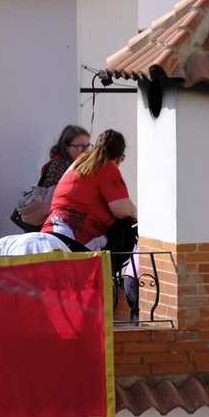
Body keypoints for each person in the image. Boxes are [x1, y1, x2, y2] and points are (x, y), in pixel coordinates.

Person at [42, 129, 138, 312]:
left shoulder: (80, 161)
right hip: (78, 237)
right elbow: (122, 209)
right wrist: (137, 212)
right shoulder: (107, 166)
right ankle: (108, 277)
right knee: (125, 228)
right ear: (120, 158)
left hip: (51, 227)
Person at [13, 125, 93, 231]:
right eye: (80, 146)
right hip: (56, 226)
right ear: (66, 148)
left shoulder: (69, 164)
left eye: (88, 146)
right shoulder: (62, 166)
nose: (85, 151)